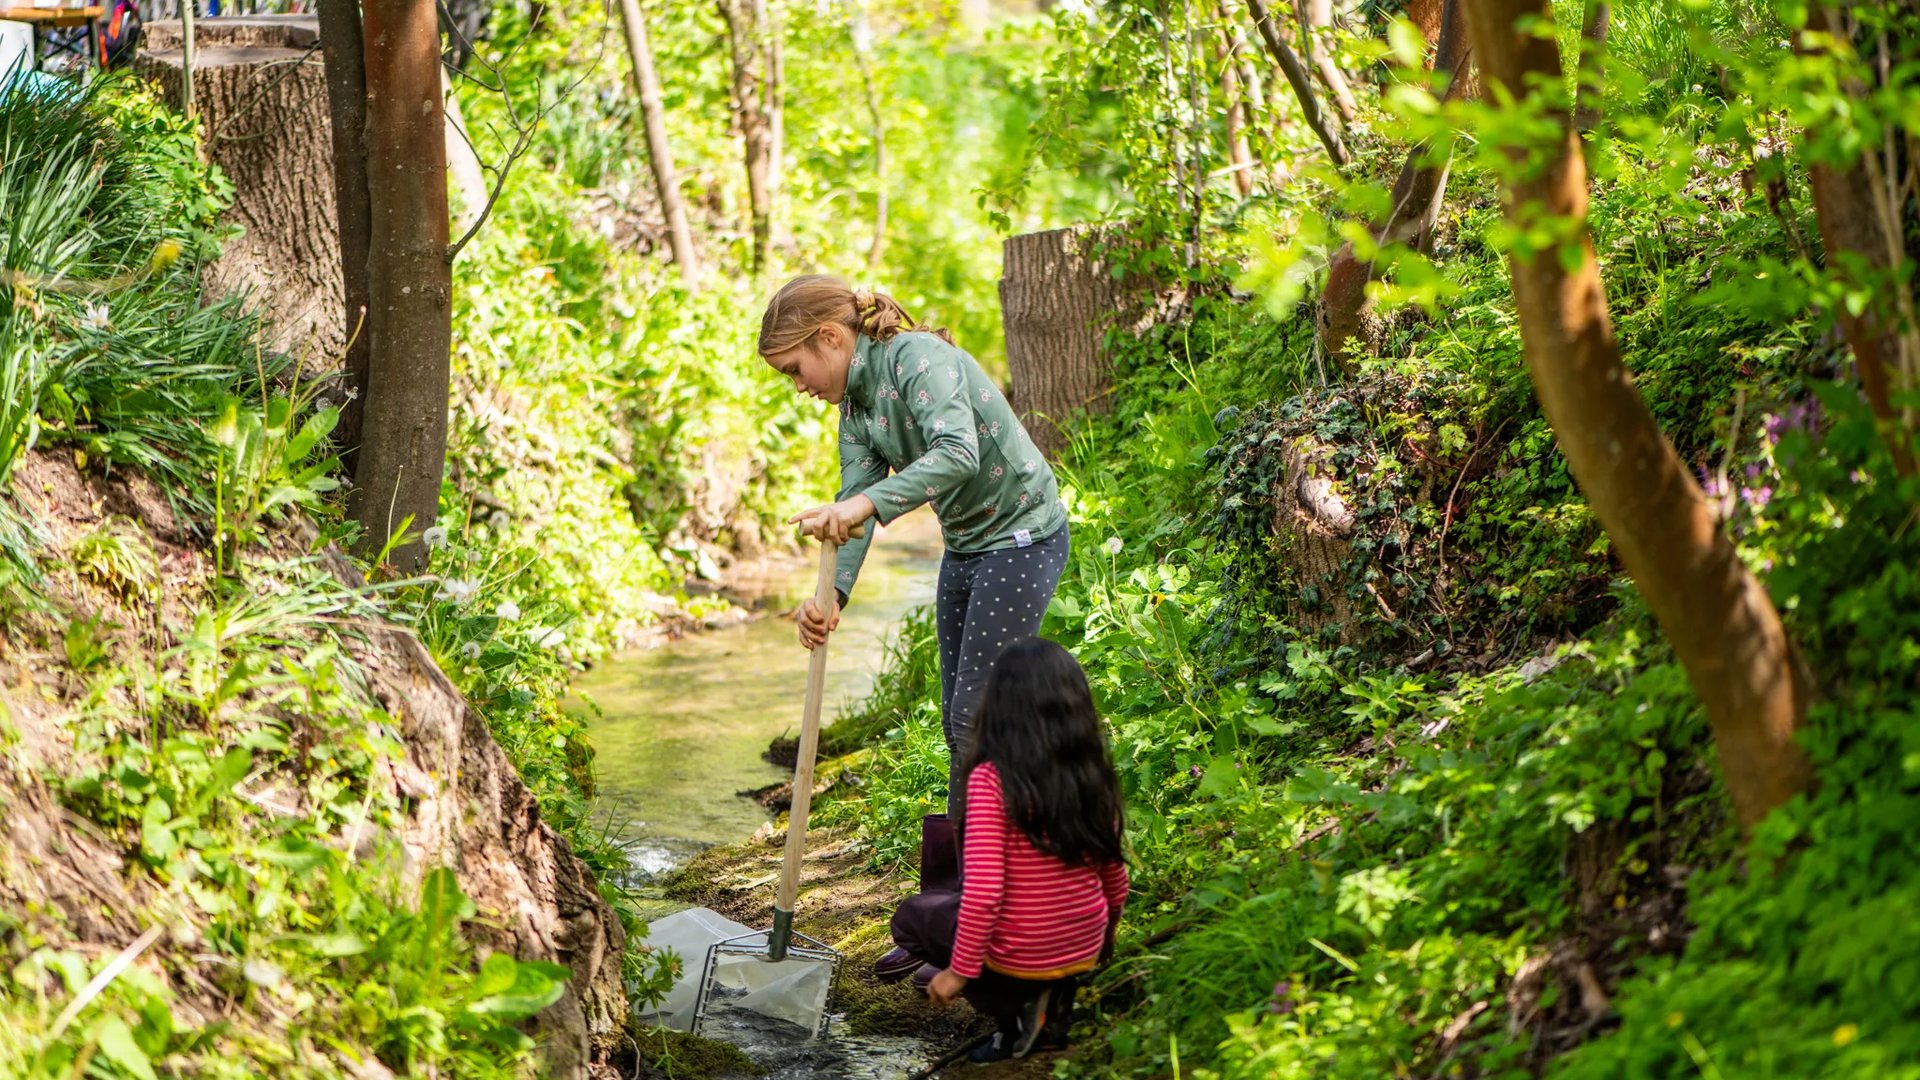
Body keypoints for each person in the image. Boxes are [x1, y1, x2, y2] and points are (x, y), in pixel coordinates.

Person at [761, 274, 1071, 806]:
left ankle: (1015, 854)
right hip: (967, 545)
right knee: (960, 720)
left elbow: (958, 452)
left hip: (1023, 535)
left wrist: (865, 505)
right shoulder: (854, 409)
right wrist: (831, 594)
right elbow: (853, 501)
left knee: (977, 712)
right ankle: (967, 863)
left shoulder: (917, 358)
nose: (798, 385)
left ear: (831, 337)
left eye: (795, 368)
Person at [881, 639, 1129, 1063]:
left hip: (1023, 954)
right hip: (1084, 946)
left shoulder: (992, 780)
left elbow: (985, 892)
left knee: (910, 919)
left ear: (999, 707)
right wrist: (1103, 941)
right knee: (962, 909)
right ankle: (1055, 998)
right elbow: (1114, 874)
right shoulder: (1090, 772)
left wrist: (958, 973)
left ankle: (1014, 1019)